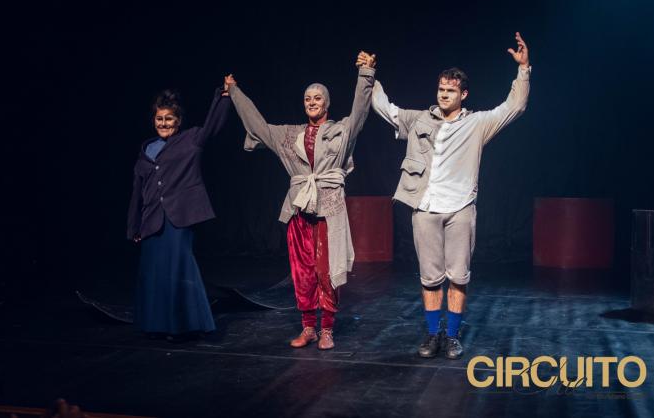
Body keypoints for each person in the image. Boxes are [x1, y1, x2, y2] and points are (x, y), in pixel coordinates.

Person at [371, 32, 531, 358]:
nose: (444, 94)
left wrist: (523, 69)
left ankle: (453, 335)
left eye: (451, 90)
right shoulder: (419, 119)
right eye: (441, 89)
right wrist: (368, 75)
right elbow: (384, 108)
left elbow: (514, 106)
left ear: (463, 94)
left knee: (458, 277)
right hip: (425, 207)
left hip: (460, 208)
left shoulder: (477, 123)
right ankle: (433, 335)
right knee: (430, 278)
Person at [226, 51, 376, 350]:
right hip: (298, 210)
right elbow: (258, 126)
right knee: (303, 272)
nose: (312, 102)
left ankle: (327, 329)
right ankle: (308, 327)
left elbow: (360, 111)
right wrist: (234, 92)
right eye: (308, 98)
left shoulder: (340, 131)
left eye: (317, 98)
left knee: (326, 271)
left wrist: (366, 74)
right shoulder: (289, 135)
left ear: (327, 103)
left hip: (328, 208)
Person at [126, 83, 231, 341]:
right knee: (154, 272)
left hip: (179, 219)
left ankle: (182, 325)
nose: (163, 123)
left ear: (178, 120)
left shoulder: (190, 139)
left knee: (178, 269)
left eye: (169, 118)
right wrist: (134, 226)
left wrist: (223, 97)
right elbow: (137, 193)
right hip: (151, 220)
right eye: (159, 119)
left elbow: (212, 126)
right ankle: (155, 325)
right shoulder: (146, 150)